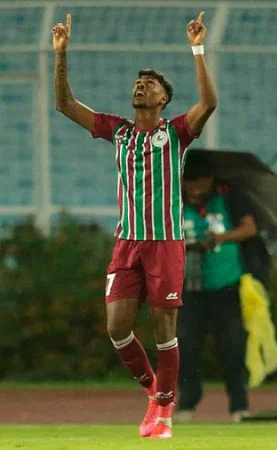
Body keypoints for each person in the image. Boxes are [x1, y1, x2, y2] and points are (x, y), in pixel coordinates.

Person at [52, 11, 216, 439]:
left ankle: (163, 411)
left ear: (164, 99)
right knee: (117, 327)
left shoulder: (177, 132)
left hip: (165, 243)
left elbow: (210, 103)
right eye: (138, 82)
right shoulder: (118, 131)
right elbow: (65, 105)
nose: (141, 85)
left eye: (151, 83)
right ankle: (156, 394)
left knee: (164, 331)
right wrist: (62, 53)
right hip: (127, 244)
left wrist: (197, 48)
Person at [175, 154, 259, 423]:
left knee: (232, 346)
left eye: (199, 183)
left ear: (210, 180)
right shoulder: (174, 202)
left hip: (226, 285)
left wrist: (220, 238)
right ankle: (187, 401)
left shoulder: (230, 198)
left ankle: (239, 405)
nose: (194, 189)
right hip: (189, 287)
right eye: (189, 183)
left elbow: (249, 228)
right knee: (185, 345)